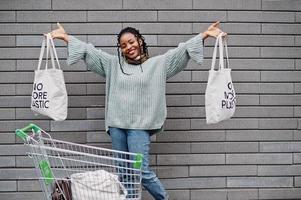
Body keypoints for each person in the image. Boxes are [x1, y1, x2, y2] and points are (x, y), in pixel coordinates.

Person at [48, 21, 227, 200]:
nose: (129, 47)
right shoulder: (113, 65)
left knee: (141, 171)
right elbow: (89, 51)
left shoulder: (157, 65)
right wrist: (66, 37)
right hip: (117, 126)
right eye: (123, 45)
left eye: (131, 42)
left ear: (140, 41)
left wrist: (205, 35)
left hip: (139, 128)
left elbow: (181, 52)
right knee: (124, 173)